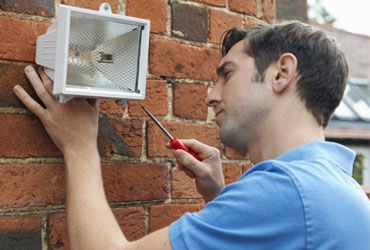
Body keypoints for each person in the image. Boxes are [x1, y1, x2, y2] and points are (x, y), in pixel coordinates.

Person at [13, 21, 369, 250]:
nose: (211, 95)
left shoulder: (285, 192)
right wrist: (220, 196)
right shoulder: (335, 185)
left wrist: (78, 146)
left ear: (282, 73)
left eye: (226, 75)